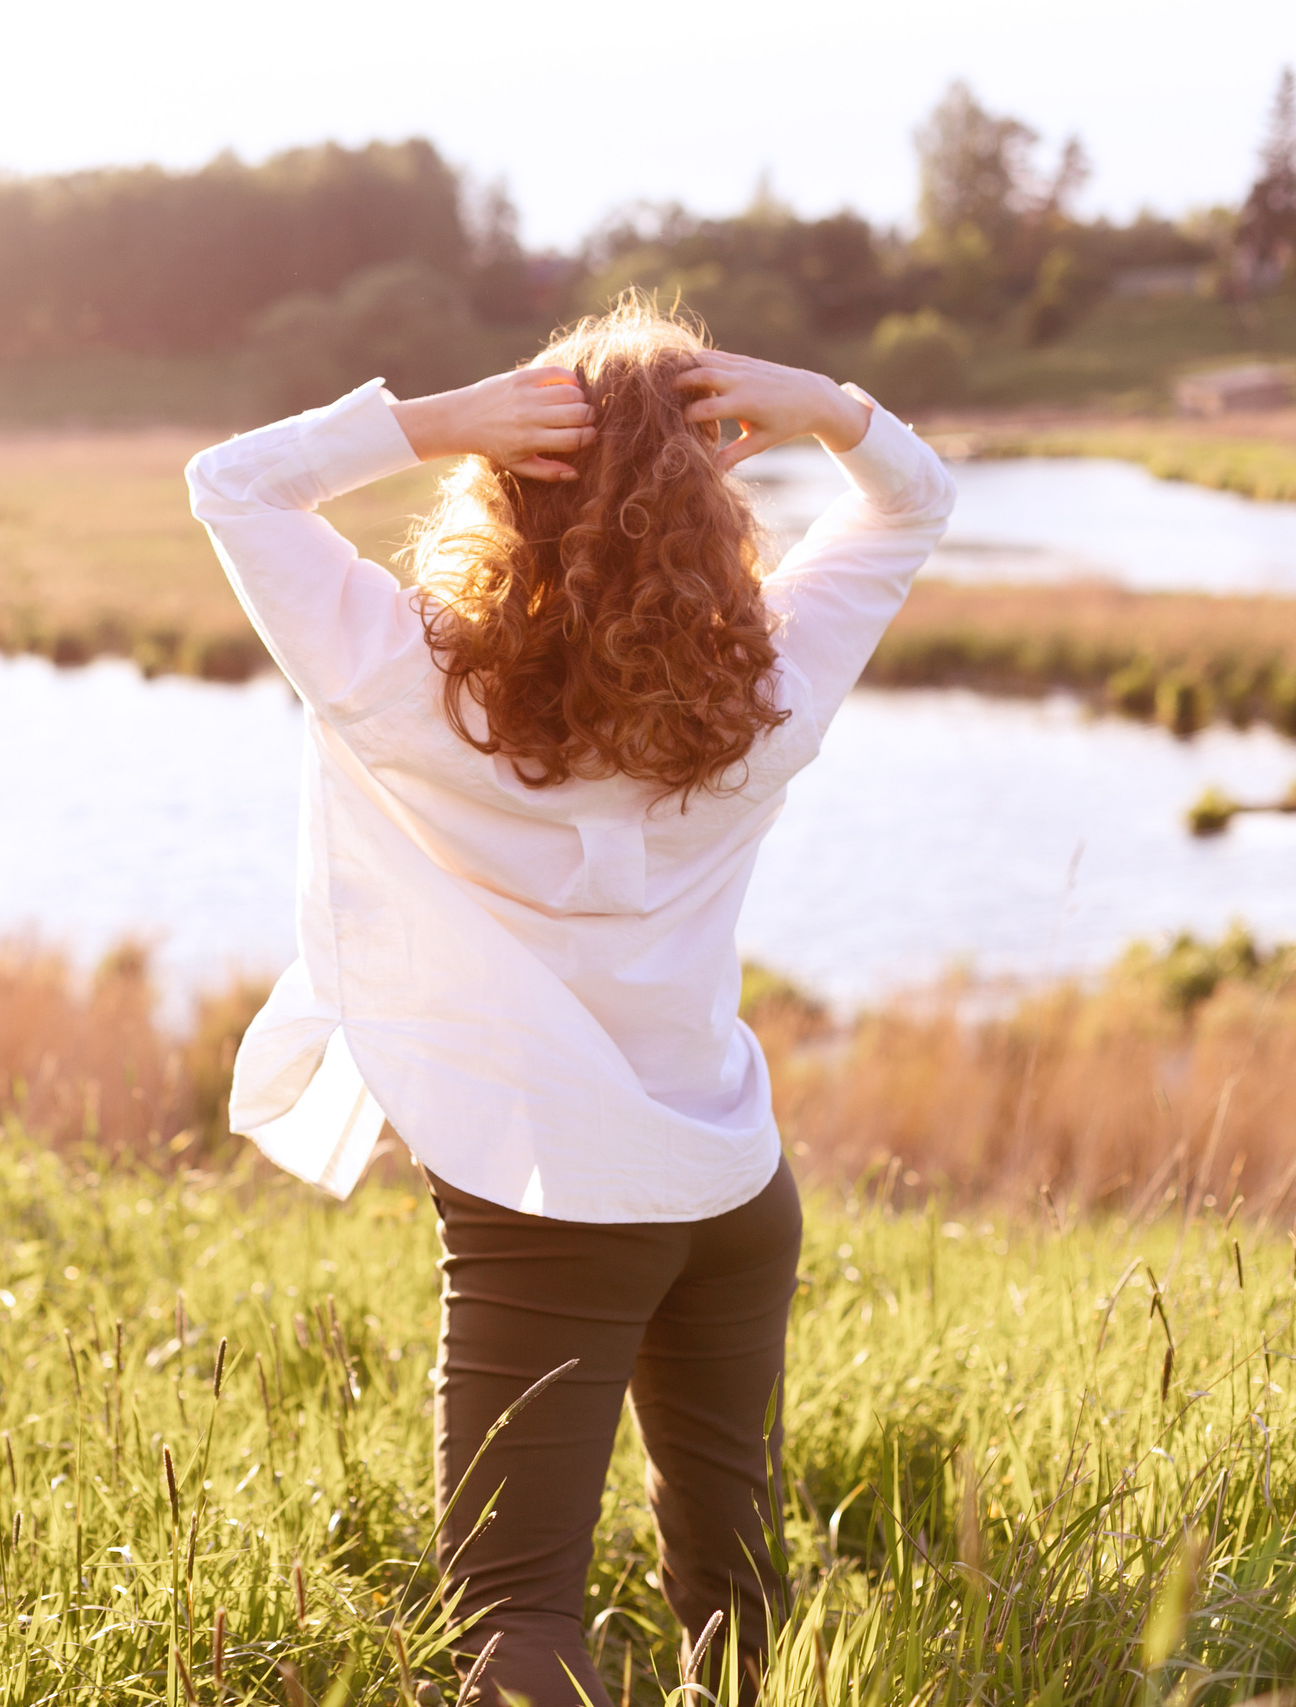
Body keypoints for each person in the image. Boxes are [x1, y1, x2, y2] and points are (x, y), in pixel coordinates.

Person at [185, 297, 955, 1704]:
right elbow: (913, 508)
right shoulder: (769, 693)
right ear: (716, 495)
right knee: (735, 1583)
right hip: (732, 1185)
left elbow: (231, 485)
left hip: (549, 1205)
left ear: (508, 481)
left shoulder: (402, 679)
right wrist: (832, 410)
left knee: (515, 1612)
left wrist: (428, 421)